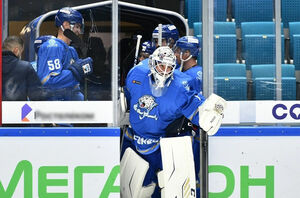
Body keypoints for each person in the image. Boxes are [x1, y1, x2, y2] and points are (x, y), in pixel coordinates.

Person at [120, 46, 226, 197]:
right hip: (134, 140)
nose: (164, 71)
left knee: (168, 190)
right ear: (152, 64)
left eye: (169, 67)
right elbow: (128, 99)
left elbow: (196, 107)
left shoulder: (179, 87)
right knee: (130, 190)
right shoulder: (136, 74)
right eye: (162, 65)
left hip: (163, 146)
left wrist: (209, 114)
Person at [36, 7, 93, 101]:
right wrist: (77, 72)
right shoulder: (52, 47)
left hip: (70, 106)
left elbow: (75, 83)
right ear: (66, 25)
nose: (78, 31)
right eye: (77, 26)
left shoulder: (71, 50)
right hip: (55, 108)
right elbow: (48, 81)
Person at [173, 35, 203, 197]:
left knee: (189, 173)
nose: (176, 54)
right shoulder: (195, 72)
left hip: (189, 129)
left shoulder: (190, 76)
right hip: (191, 129)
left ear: (188, 53)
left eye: (178, 51)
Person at [2, 36, 45, 101]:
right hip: (16, 110)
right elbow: (38, 99)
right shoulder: (25, 67)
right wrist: (23, 111)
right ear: (16, 50)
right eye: (21, 52)